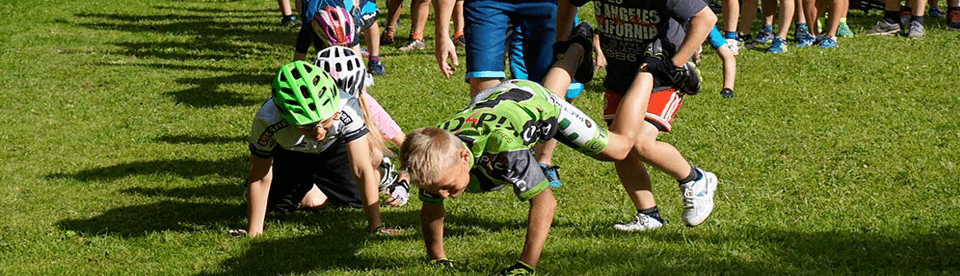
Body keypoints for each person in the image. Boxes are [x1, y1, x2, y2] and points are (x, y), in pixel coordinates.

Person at [399, 26, 681, 274]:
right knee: (546, 90)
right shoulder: (434, 157)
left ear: (464, 157)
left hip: (540, 104)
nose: (444, 195)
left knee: (618, 148)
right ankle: (578, 45)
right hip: (500, 98)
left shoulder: (505, 150)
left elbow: (545, 203)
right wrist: (437, 258)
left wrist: (525, 265)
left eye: (447, 187)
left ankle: (650, 65)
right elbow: (431, 208)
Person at [557, 0, 718, 231]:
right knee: (618, 147)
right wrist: (560, 44)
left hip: (659, 71)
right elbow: (567, 3)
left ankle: (695, 179)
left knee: (640, 142)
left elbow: (706, 18)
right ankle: (648, 215)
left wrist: (674, 65)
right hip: (619, 74)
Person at [240, 61, 408, 237]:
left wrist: (376, 226)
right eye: (308, 126)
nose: (318, 131)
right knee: (276, 207)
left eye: (325, 121)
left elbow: (360, 169)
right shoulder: (267, 119)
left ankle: (382, 171)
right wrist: (253, 232)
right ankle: (312, 186)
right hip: (290, 153)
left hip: (334, 151)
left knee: (355, 200)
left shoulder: (347, 106)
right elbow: (259, 176)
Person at [296, 0, 388, 75]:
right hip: (317, 11)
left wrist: (361, 84)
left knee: (368, 18)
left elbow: (355, 48)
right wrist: (296, 71)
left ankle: (374, 61)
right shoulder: (309, 19)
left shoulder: (350, 16)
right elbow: (300, 51)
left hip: (352, 6)